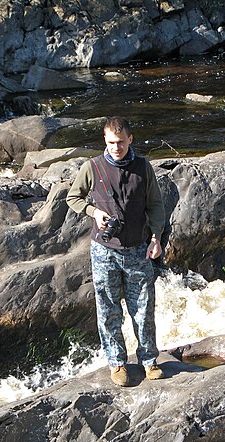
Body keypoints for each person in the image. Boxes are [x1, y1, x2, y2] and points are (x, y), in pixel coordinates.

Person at [66, 116, 166, 387]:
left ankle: (149, 361)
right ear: (105, 141)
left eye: (121, 142)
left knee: (143, 308)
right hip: (103, 251)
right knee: (108, 308)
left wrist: (156, 238)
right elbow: (73, 198)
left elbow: (156, 205)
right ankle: (117, 363)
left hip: (138, 250)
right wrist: (93, 211)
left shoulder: (143, 168)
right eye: (111, 142)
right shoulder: (92, 167)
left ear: (130, 139)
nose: (116, 148)